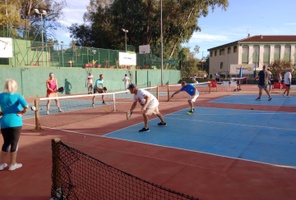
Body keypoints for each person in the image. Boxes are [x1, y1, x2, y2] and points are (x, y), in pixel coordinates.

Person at [0, 79, 28, 171]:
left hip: (4, 122)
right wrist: (22, 113)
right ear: (15, 86)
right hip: (15, 122)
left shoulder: (1, 96)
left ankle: (1, 164)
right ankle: (12, 164)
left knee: (6, 143)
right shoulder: (18, 96)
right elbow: (26, 106)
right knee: (14, 143)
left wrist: (1, 113)